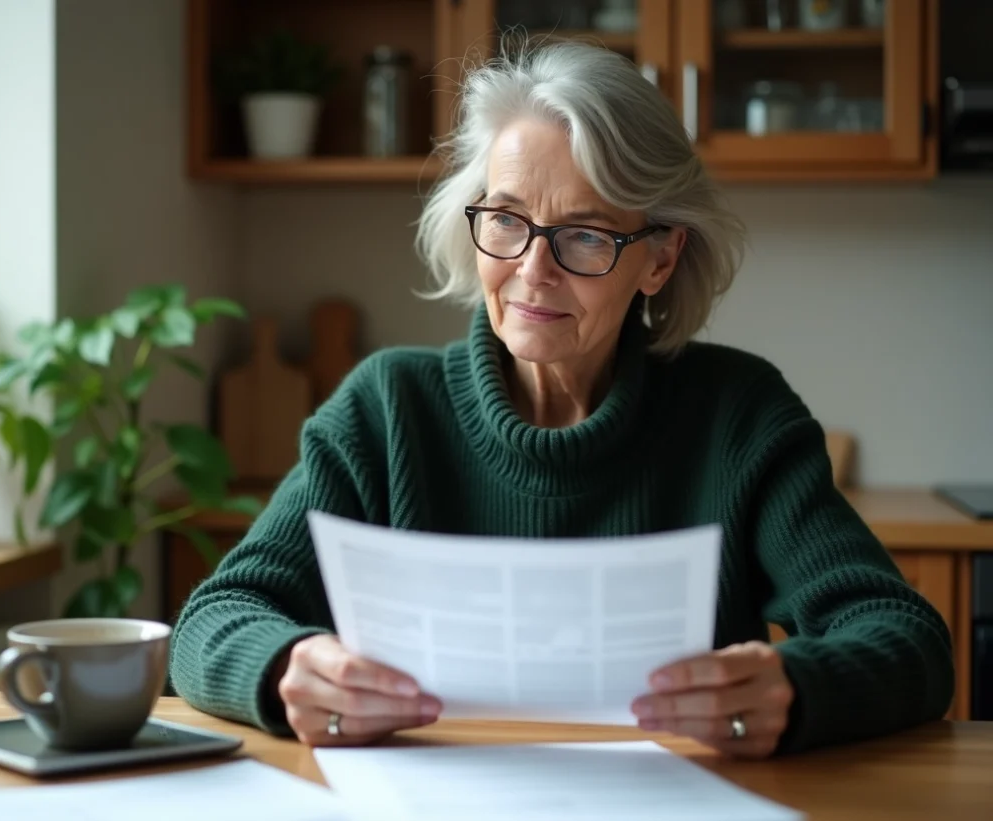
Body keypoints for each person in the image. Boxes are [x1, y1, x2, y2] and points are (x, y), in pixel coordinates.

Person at [170, 39, 953, 758]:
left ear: (658, 257)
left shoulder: (736, 415)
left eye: (584, 235)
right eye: (507, 219)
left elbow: (907, 638)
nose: (533, 271)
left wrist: (797, 685)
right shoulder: (385, 409)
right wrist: (285, 668)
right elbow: (215, 615)